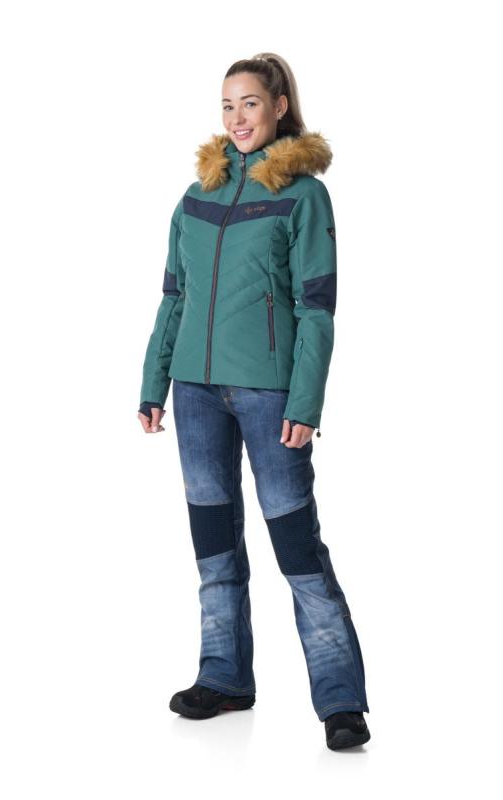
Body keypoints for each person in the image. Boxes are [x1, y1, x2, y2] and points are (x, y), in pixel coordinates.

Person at [137, 52, 370, 750]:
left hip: (270, 393)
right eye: (227, 105)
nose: (237, 118)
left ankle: (340, 701)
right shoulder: (196, 196)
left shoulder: (303, 196)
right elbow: (173, 296)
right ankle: (223, 676)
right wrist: (154, 383)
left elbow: (317, 308)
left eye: (250, 103)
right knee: (213, 545)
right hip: (195, 391)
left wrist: (305, 401)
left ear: (278, 107)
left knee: (296, 547)